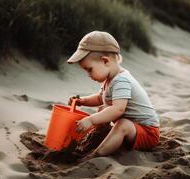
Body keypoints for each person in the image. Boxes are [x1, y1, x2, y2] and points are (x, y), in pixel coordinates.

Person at [67, 31, 160, 160]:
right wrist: (83, 101)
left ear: (105, 61)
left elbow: (118, 109)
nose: (88, 74)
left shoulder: (121, 80)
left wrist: (91, 120)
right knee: (102, 109)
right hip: (134, 128)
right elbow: (100, 98)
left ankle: (97, 154)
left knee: (122, 124)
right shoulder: (110, 79)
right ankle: (98, 138)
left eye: (89, 69)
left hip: (147, 132)